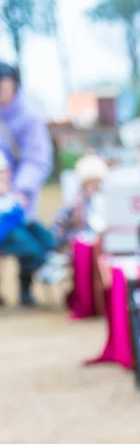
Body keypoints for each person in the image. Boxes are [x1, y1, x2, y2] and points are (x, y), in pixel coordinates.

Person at [0, 63, 54, 306]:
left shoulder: (29, 117)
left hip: (19, 198)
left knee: (34, 243)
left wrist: (21, 189)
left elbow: (36, 157)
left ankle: (26, 288)